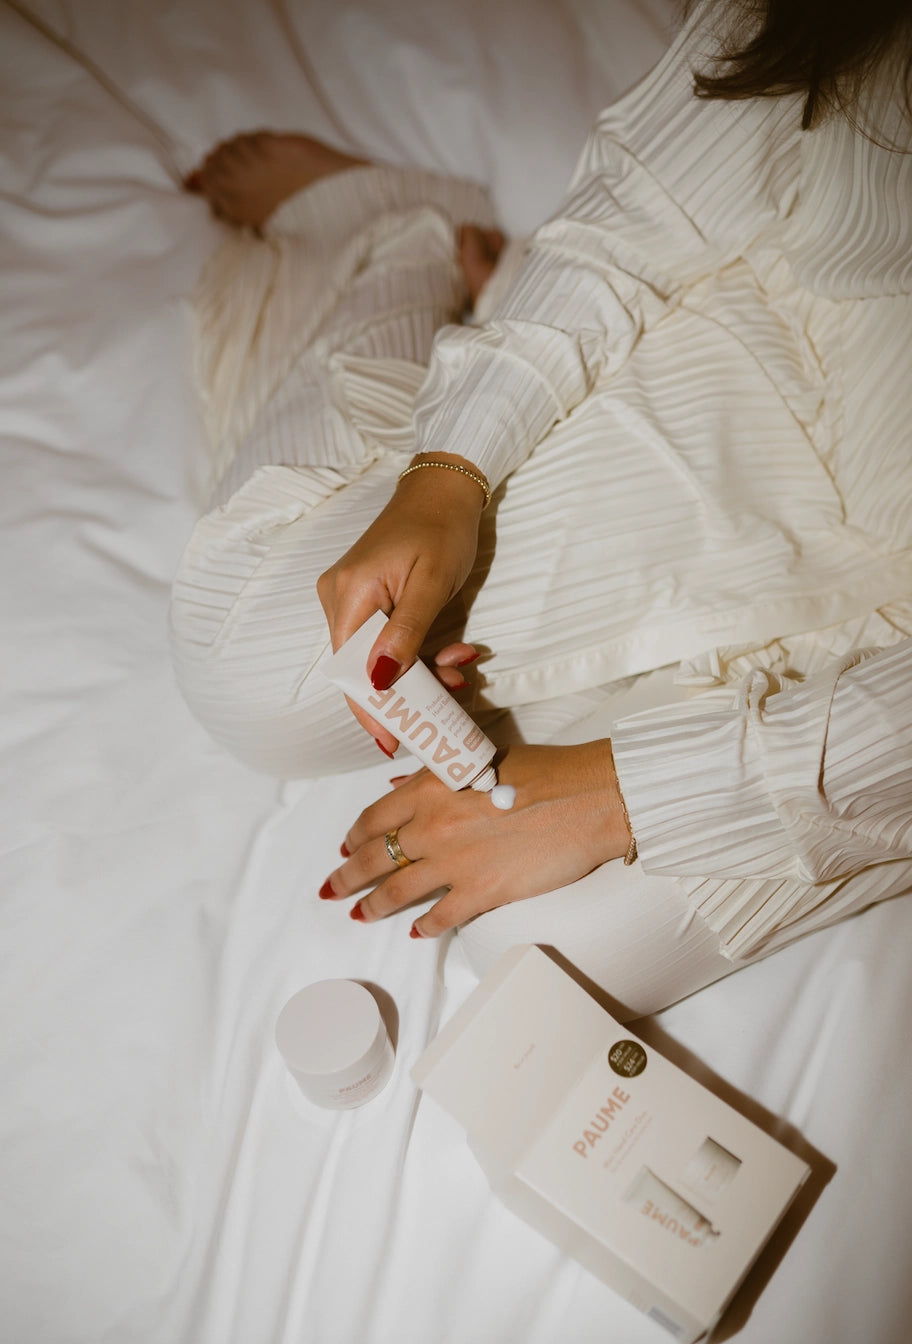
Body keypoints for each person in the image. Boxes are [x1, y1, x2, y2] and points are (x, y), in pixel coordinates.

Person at [170, 0, 912, 1016]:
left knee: (539, 957)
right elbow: (639, 214)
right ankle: (399, 233)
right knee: (247, 666)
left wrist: (619, 793)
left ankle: (483, 310)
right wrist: (448, 477)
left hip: (885, 680)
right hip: (754, 388)